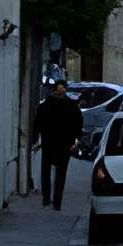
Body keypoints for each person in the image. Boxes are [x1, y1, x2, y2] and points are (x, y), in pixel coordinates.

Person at [34, 79, 83, 211]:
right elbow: (78, 125)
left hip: (48, 142)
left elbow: (37, 123)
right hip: (64, 144)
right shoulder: (72, 106)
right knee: (61, 174)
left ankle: (46, 199)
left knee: (46, 171)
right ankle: (57, 202)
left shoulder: (45, 105)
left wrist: (35, 139)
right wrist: (76, 140)